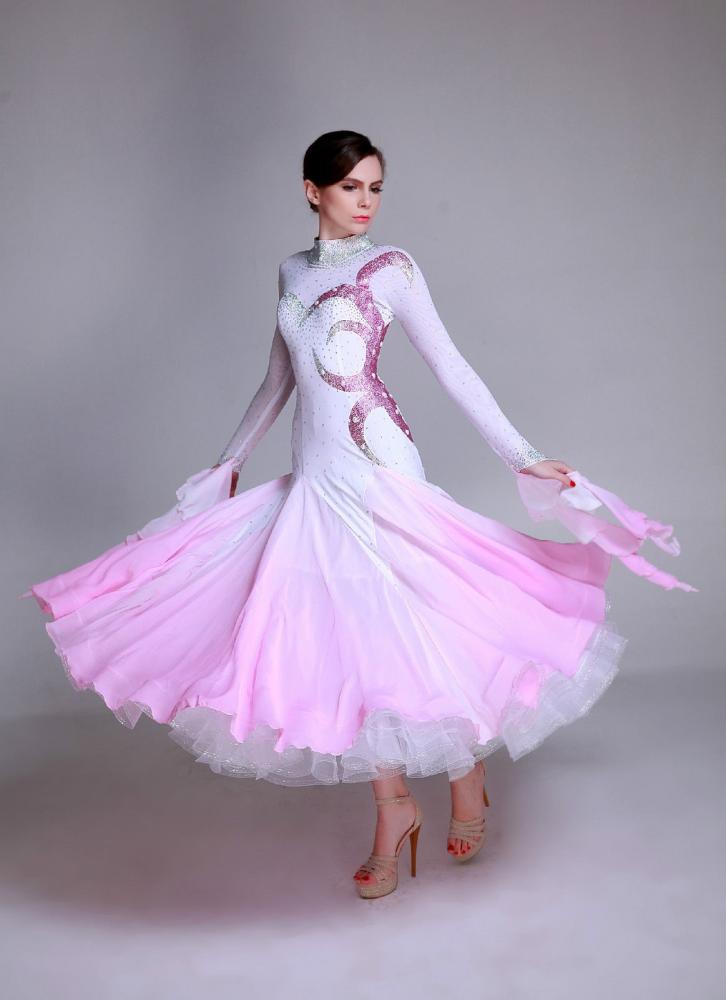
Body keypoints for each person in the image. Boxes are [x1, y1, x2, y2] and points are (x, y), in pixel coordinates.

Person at [20, 130, 697, 901]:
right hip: (315, 480)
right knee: (353, 646)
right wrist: (227, 464)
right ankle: (395, 807)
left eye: (375, 187)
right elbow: (277, 383)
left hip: (378, 469)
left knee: (418, 630)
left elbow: (453, 368)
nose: (367, 202)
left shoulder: (393, 269)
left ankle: (466, 777)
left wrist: (523, 456)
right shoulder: (291, 271)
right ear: (313, 191)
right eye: (351, 187)